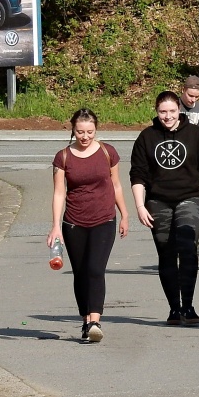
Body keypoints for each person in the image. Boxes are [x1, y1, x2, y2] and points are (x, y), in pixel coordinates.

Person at [130, 91, 199, 326]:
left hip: (189, 198)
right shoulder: (146, 137)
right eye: (163, 112)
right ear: (156, 111)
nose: (168, 116)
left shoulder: (195, 134)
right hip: (158, 201)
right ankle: (174, 308)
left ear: (179, 111)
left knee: (187, 246)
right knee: (166, 252)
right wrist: (140, 205)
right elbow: (138, 175)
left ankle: (188, 306)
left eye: (172, 111)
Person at [47, 109, 130, 343]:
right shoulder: (63, 157)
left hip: (104, 219)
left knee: (95, 269)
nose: (85, 137)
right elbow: (59, 193)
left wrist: (124, 214)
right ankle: (85, 320)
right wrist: (55, 226)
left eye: (90, 132)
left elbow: (116, 185)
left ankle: (95, 321)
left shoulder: (107, 152)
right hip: (74, 222)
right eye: (80, 132)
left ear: (96, 130)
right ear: (73, 130)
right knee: (81, 273)